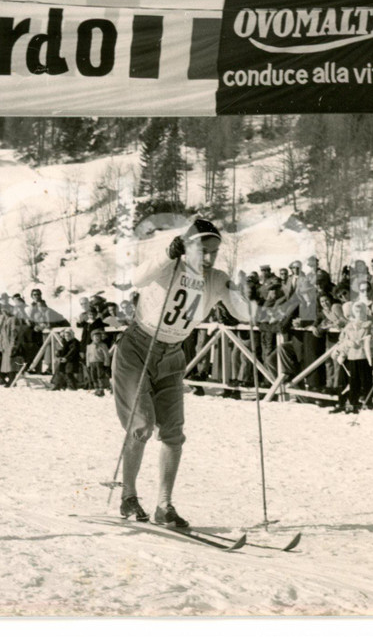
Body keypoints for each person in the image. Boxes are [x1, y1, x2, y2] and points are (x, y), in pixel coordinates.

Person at [112, 219, 256, 528]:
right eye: (202, 251)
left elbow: (244, 315)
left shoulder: (215, 279)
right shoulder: (169, 265)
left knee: (173, 432)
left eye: (214, 252)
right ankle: (128, 496)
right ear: (187, 246)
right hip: (138, 348)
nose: (208, 258)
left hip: (174, 353)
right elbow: (137, 279)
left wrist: (239, 293)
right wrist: (167, 253)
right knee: (141, 425)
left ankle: (165, 505)